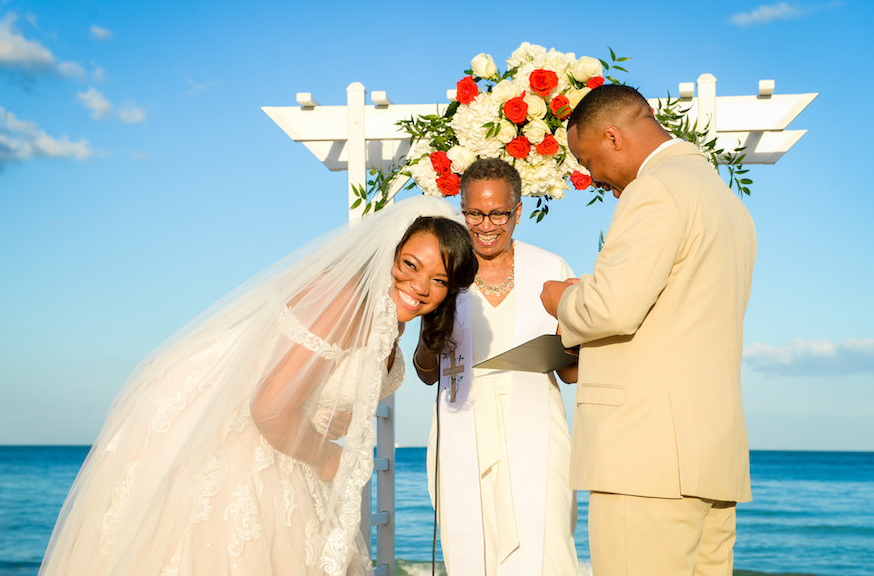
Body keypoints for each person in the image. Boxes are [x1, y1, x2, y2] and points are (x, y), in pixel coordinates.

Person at [38, 196, 478, 576]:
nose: (420, 286)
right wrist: (329, 457)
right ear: (389, 253)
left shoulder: (386, 317)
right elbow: (270, 409)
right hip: (252, 457)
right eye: (409, 265)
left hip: (289, 449)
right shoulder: (345, 301)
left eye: (439, 280)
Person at [540, 84, 756, 576]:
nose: (594, 178)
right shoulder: (729, 205)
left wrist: (564, 298)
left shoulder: (655, 189)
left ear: (612, 137)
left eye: (589, 161)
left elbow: (611, 309)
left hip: (645, 459)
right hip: (712, 459)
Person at [414, 158, 580, 576]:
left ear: (518, 211)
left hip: (536, 427)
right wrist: (433, 326)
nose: (486, 225)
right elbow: (425, 371)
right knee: (469, 549)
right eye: (474, 213)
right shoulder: (445, 270)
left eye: (498, 213)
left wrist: (573, 336)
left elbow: (572, 373)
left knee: (547, 547)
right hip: (461, 428)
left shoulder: (551, 267)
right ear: (461, 209)